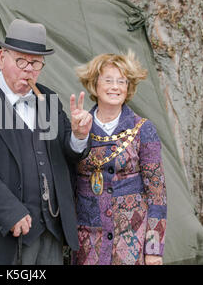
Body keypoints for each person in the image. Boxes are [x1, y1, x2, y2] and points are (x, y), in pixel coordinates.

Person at [0, 19, 92, 265]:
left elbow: (67, 154)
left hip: (50, 232)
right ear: (2, 57)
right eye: (21, 61)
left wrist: (78, 136)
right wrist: (9, 211)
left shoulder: (49, 100)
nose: (29, 69)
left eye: (36, 63)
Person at [71, 51, 167, 265]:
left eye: (121, 81)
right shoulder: (80, 126)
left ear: (128, 87)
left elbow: (157, 195)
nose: (115, 86)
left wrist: (154, 250)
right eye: (108, 80)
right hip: (88, 243)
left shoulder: (144, 129)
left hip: (131, 242)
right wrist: (78, 135)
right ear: (94, 84)